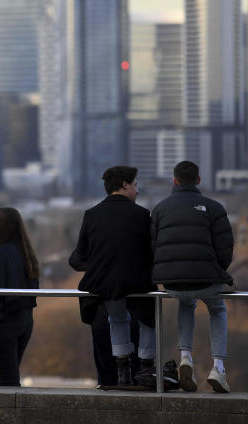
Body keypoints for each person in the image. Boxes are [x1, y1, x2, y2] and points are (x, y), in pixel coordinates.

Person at [151, 160, 234, 393]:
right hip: (207, 280)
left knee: (186, 303)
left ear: (174, 181)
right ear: (198, 180)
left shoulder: (160, 208)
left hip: (173, 282)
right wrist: (217, 270)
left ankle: (186, 357)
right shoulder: (214, 208)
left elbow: (153, 246)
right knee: (217, 309)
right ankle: (218, 367)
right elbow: (226, 247)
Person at [71, 165, 156, 389]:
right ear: (125, 184)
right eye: (135, 185)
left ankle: (122, 371)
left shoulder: (92, 214)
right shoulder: (141, 215)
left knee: (117, 319)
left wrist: (101, 264)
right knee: (149, 320)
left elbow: (80, 254)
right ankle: (146, 369)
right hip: (138, 283)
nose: (137, 190)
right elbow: (151, 251)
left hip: (105, 285)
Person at [0, 207, 39, 387]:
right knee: (11, 376)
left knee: (6, 381)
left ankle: (12, 415)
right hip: (24, 320)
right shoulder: (27, 254)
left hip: (1, 322)